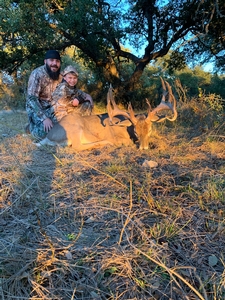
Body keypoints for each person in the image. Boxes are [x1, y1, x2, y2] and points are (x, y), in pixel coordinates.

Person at [26, 50, 62, 139]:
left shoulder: (60, 76)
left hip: (52, 108)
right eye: (52, 60)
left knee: (64, 126)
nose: (55, 63)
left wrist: (84, 96)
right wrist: (44, 118)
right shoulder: (36, 74)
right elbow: (31, 99)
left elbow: (69, 90)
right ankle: (31, 128)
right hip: (37, 109)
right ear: (45, 61)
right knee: (46, 132)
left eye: (57, 61)